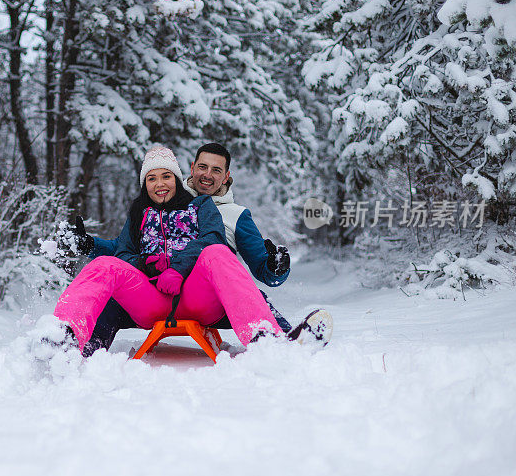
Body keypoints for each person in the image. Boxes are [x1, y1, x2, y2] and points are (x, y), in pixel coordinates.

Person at [67, 143, 331, 353]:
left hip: (213, 292)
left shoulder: (235, 215)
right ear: (191, 169)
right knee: (111, 297)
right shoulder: (154, 204)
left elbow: (254, 264)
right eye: (202, 167)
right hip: (155, 292)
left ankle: (278, 342)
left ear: (227, 176)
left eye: (216, 170)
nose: (207, 174)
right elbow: (124, 249)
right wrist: (91, 245)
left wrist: (275, 268)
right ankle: (77, 345)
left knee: (245, 284)